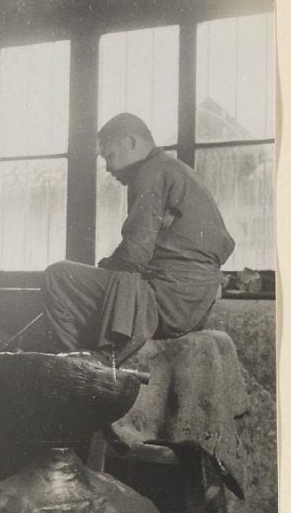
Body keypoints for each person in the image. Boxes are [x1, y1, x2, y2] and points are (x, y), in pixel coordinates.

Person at [41, 113, 235, 366]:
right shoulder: (177, 168)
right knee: (111, 279)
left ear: (131, 142)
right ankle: (88, 356)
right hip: (197, 304)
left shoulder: (151, 171)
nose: (108, 168)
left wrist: (105, 266)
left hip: (168, 300)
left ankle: (83, 365)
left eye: (109, 156)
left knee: (57, 274)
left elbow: (135, 254)